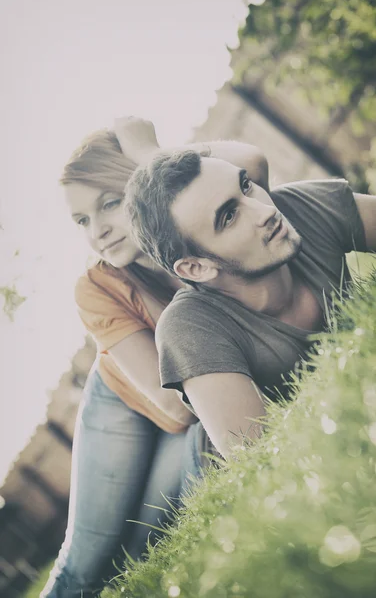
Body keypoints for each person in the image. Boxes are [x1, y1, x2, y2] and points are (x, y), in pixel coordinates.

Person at [41, 118, 271, 598]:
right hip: (127, 401)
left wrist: (153, 154)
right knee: (85, 559)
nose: (98, 231)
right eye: (81, 220)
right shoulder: (97, 286)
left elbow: (251, 164)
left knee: (135, 552)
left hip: (190, 411)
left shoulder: (196, 224)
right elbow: (170, 406)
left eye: (109, 203)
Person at [125, 148, 376, 458]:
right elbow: (258, 457)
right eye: (229, 216)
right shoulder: (189, 328)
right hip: (193, 453)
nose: (264, 210)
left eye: (245, 186)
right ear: (197, 267)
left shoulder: (295, 208)